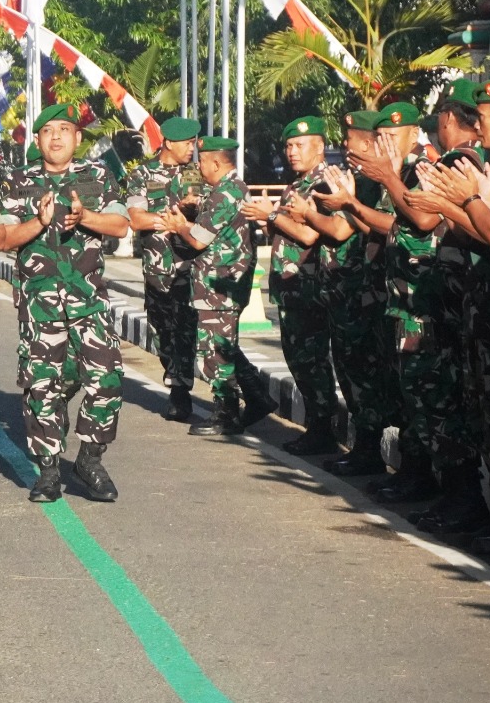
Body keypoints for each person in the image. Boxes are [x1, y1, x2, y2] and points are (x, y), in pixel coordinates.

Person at [0, 103, 129, 503]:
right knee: (42, 388)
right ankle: (49, 469)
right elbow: (4, 237)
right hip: (40, 305)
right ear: (37, 140)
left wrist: (85, 216)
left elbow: (120, 225)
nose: (56, 137)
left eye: (64, 130)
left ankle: (89, 459)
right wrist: (37, 222)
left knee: (106, 380)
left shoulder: (98, 176)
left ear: (77, 137)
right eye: (48, 131)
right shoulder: (17, 181)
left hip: (89, 302)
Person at [349, 102, 454, 505]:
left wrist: (388, 180)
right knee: (409, 392)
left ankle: (427, 477)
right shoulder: (396, 172)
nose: (386, 143)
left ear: (416, 134)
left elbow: (422, 221)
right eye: (382, 137)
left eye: (394, 135)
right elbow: (389, 224)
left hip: (424, 298)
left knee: (427, 394)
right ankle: (413, 471)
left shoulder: (423, 168)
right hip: (401, 298)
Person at [425, 77, 490, 553]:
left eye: (484, 117)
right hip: (487, 315)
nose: (477, 127)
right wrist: (460, 203)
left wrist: (465, 201)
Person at [158, 137, 275, 436]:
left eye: (202, 161)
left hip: (221, 283)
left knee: (216, 350)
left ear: (216, 163)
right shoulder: (223, 190)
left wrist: (179, 226)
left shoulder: (227, 192)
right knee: (223, 345)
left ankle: (226, 413)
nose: (198, 166)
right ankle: (258, 397)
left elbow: (198, 239)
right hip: (217, 282)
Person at [304, 111, 397, 476]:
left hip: (364, 293)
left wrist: (341, 205)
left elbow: (347, 230)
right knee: (351, 371)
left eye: (353, 138)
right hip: (346, 293)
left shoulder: (374, 184)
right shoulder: (357, 179)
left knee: (367, 374)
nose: (346, 144)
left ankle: (372, 449)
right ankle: (365, 446)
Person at [242, 117, 339, 454]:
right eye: (288, 146)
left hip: (309, 286)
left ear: (320, 146)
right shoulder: (295, 185)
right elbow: (284, 232)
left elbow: (311, 235)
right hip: (289, 287)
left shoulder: (323, 184)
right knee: (298, 360)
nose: (292, 152)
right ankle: (317, 425)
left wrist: (271, 215)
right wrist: (270, 219)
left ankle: (323, 429)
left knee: (313, 361)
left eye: (299, 145)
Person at [122, 116, 201, 421]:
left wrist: (187, 214)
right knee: (162, 328)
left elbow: (205, 215)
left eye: (194, 143)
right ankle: (174, 374)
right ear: (168, 143)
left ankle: (180, 393)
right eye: (187, 143)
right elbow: (136, 219)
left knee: (185, 328)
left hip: (188, 267)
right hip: (156, 269)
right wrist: (170, 218)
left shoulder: (195, 174)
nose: (191, 149)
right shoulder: (142, 174)